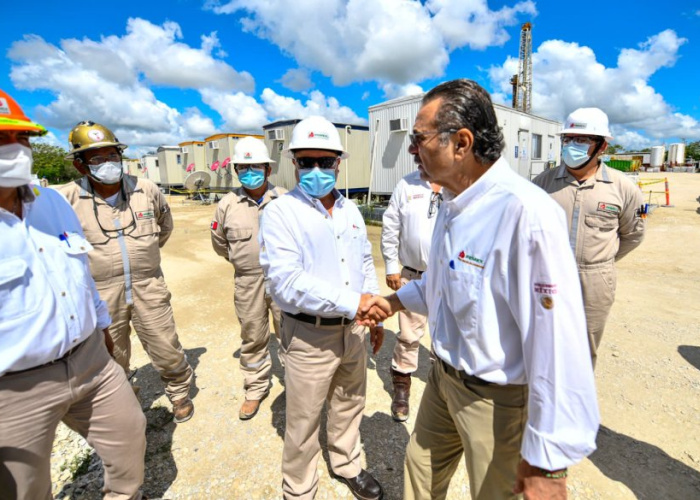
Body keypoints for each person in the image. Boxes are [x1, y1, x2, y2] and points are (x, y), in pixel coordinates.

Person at [360, 79, 600, 500]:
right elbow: (442, 281)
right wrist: (394, 300)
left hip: (497, 400)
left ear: (462, 143)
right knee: (419, 471)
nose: (413, 149)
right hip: (443, 379)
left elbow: (557, 340)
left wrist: (548, 461)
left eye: (420, 138)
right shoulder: (453, 204)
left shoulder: (525, 212)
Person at [0, 90, 146, 499]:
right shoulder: (71, 196)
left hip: (91, 361)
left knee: (130, 438)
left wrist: (101, 325)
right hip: (15, 387)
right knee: (24, 487)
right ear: (80, 163)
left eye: (22, 140)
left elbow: (78, 271)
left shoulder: (51, 205)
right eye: (0, 142)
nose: (15, 151)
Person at [259, 116, 385, 500]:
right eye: (307, 161)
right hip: (309, 334)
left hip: (354, 329)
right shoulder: (281, 213)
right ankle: (298, 488)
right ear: (294, 163)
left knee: (350, 402)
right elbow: (286, 282)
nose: (317, 170)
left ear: (338, 163)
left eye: (325, 161)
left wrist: (374, 308)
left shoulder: (350, 210)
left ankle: (347, 462)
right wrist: (355, 303)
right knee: (303, 417)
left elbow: (364, 261)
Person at [61, 121, 194, 423]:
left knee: (166, 346)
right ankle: (127, 404)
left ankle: (179, 393)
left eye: (111, 156)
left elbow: (164, 226)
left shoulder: (144, 189)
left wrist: (142, 258)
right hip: (102, 293)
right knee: (112, 356)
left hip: (148, 286)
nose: (107, 164)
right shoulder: (66, 200)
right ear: (81, 166)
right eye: (96, 158)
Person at [533, 108, 645, 368]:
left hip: (594, 280)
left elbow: (633, 234)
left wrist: (600, 261)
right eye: (568, 139)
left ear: (602, 146)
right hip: (548, 275)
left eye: (582, 140)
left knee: (584, 348)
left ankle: (573, 405)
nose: (572, 146)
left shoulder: (622, 187)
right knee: (542, 341)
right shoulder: (542, 183)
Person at [210, 137, 287, 420]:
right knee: (253, 335)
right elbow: (220, 243)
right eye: (244, 167)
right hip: (247, 281)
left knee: (290, 334)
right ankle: (255, 388)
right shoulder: (227, 204)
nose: (250, 172)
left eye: (256, 166)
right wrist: (243, 263)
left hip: (284, 281)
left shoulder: (286, 199)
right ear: (236, 171)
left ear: (268, 170)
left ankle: (296, 385)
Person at [380, 170, 440, 422]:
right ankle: (402, 388)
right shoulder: (407, 184)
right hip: (412, 273)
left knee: (445, 337)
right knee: (408, 334)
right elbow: (391, 224)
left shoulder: (458, 180)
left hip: (446, 277)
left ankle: (443, 391)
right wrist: (392, 265)